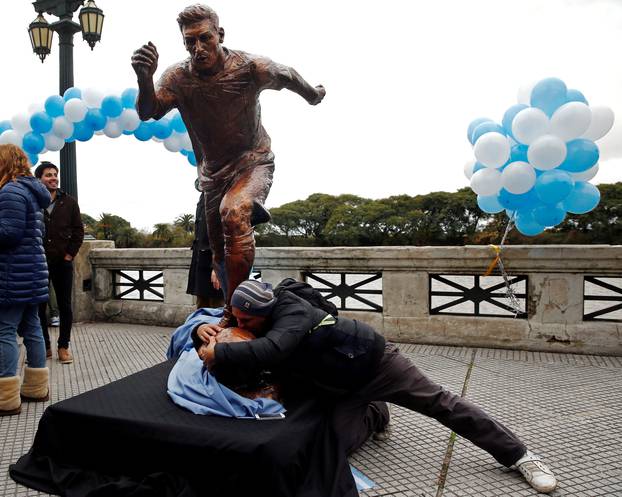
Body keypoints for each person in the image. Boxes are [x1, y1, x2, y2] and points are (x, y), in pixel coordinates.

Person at [194, 280, 559, 494]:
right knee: (334, 448)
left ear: (268, 310)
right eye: (237, 317)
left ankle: (519, 456)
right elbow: (221, 322)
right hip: (338, 385)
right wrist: (202, 331)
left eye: (247, 320)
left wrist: (219, 357)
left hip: (377, 363)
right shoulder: (250, 309)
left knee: (442, 404)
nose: (241, 325)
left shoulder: (292, 312)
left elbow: (275, 348)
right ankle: (377, 413)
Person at [132, 4, 325, 326]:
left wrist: (312, 95)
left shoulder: (250, 67)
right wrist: (144, 78)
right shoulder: (178, 78)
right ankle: (229, 309)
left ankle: (237, 317)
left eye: (205, 38)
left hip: (252, 161)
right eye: (189, 42)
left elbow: (287, 75)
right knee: (219, 252)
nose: (198, 49)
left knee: (233, 214)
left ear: (219, 34)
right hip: (213, 174)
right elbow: (148, 111)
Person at [0, 145, 51, 416]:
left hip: (12, 274)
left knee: (4, 330)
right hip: (32, 272)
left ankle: (6, 397)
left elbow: (9, 233)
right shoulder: (32, 192)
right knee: (32, 327)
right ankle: (36, 388)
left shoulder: (10, 191)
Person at [34, 161, 84, 364]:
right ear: (39, 179)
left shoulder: (69, 202)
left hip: (63, 262)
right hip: (38, 262)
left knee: (65, 306)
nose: (53, 177)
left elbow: (78, 231)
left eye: (55, 174)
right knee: (38, 306)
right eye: (48, 175)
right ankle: (44, 347)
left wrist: (69, 255)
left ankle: (63, 346)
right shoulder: (34, 200)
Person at [187, 181, 224, 309]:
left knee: (217, 311)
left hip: (213, 263)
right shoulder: (203, 196)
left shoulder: (220, 195)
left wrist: (218, 268)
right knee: (201, 309)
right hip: (201, 263)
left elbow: (225, 234)